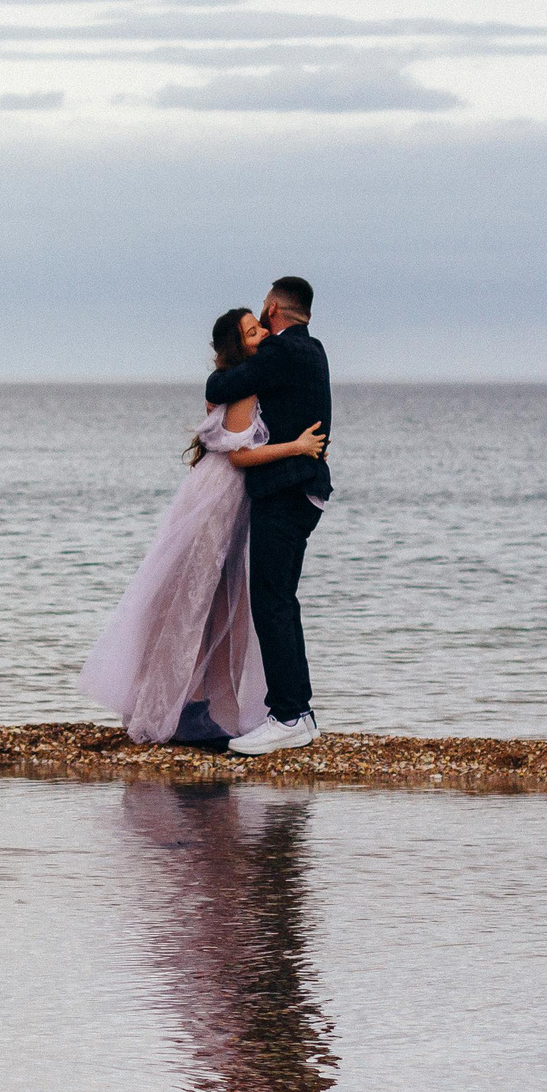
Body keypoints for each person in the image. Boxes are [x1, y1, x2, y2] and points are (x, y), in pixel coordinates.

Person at [77, 306, 327, 745]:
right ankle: (181, 708)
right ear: (239, 344)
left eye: (262, 327)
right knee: (195, 599)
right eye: (253, 332)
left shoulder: (242, 380)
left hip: (221, 495)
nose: (263, 334)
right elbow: (239, 456)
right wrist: (298, 446)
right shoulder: (246, 385)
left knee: (208, 602)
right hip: (219, 498)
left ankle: (191, 705)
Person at [203, 275, 332, 756]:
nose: (261, 317)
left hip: (287, 489)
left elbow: (219, 384)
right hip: (300, 489)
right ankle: (298, 714)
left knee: (273, 601)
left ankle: (289, 715)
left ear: (274, 307)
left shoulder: (282, 351)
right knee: (279, 599)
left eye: (263, 310)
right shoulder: (313, 349)